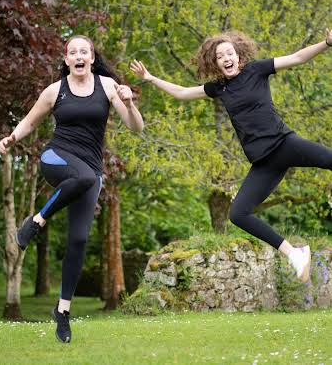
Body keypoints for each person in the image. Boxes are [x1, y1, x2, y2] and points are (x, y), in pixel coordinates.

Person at [131, 28, 332, 284]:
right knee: (238, 214)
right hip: (264, 163)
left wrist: (326, 43)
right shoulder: (219, 89)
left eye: (230, 53)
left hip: (285, 144)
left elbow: (297, 58)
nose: (226, 58)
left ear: (238, 55)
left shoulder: (257, 70)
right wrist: (150, 78)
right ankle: (294, 254)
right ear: (214, 63)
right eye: (220, 56)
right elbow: (182, 93)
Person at [0, 35, 144, 343]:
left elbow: (136, 127)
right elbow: (30, 122)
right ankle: (36, 222)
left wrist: (129, 102)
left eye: (84, 51)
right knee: (85, 178)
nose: (78, 55)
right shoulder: (55, 91)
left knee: (78, 239)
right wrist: (11, 139)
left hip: (89, 172)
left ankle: (62, 312)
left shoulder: (107, 86)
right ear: (67, 60)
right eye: (72, 52)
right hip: (56, 158)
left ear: (91, 58)